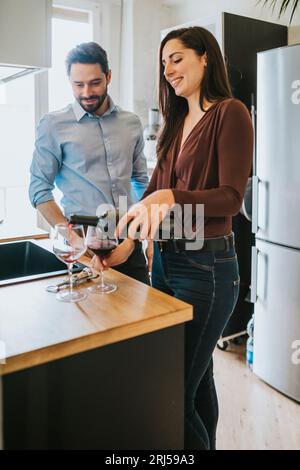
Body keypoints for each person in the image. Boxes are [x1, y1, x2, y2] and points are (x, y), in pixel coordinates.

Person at [116, 27, 253, 449]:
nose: (168, 70)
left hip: (208, 269)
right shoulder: (176, 122)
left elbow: (230, 199)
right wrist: (122, 241)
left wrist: (171, 195)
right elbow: (151, 194)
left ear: (205, 57)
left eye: (176, 58)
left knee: (172, 391)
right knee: (198, 379)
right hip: (167, 264)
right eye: (164, 63)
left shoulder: (230, 113)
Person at [29, 42, 149, 284]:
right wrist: (73, 240)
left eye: (95, 83)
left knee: (145, 318)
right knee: (90, 320)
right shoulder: (53, 125)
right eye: (78, 84)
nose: (86, 93)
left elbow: (140, 182)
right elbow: (39, 190)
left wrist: (133, 240)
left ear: (109, 76)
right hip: (82, 245)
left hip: (128, 244)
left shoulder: (132, 123)